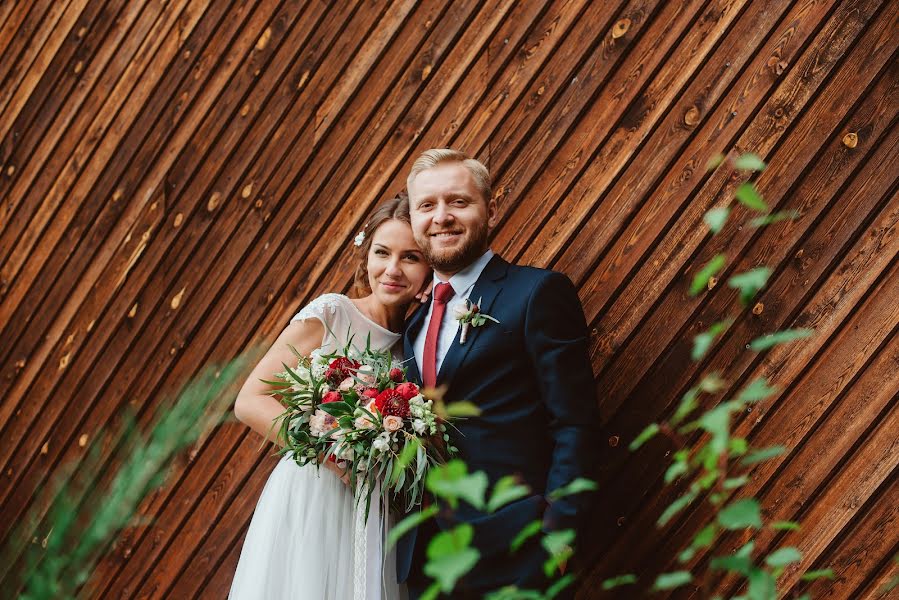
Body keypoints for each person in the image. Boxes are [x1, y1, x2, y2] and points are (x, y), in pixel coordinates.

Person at [397, 149, 601, 597]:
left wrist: (558, 533)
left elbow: (575, 421)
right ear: (412, 219)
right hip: (431, 562)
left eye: (458, 202)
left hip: (519, 547)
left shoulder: (536, 293)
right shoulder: (411, 324)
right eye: (427, 206)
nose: (441, 217)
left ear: (490, 208)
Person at [230, 194, 430, 599]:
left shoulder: (418, 338)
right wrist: (334, 457)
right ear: (365, 256)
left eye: (410, 257)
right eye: (382, 253)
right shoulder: (333, 314)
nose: (392, 269)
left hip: (376, 504)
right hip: (317, 489)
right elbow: (250, 400)